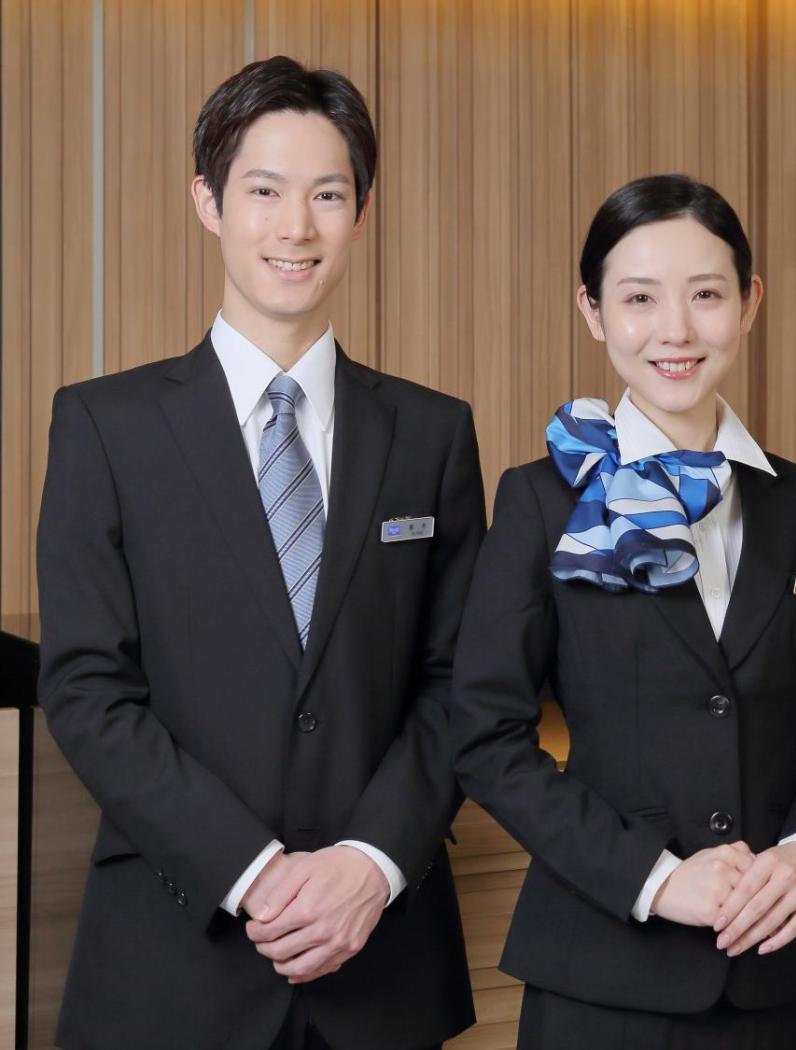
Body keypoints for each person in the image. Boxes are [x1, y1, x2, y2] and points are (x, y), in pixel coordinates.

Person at [36, 56, 480, 1050]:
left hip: (383, 961)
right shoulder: (106, 428)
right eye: (265, 192)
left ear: (361, 213)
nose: (296, 228)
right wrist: (254, 872)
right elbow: (87, 689)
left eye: (328, 195)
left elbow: (460, 680)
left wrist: (370, 861)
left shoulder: (432, 434)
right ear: (209, 202)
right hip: (172, 957)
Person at [450, 173, 796, 1049]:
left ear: (749, 303)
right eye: (640, 298)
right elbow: (485, 738)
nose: (675, 330)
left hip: (783, 966)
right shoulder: (541, 501)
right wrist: (654, 878)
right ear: (593, 311)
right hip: (606, 972)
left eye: (706, 295)